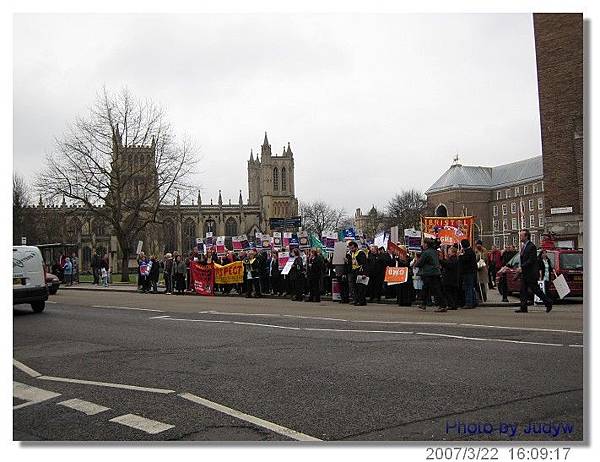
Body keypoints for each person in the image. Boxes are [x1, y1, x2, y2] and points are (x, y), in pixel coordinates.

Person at [515, 229, 553, 313]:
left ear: (526, 236)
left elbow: (531, 260)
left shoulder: (531, 246)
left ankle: (548, 302)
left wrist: (522, 267)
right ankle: (523, 307)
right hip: (525, 273)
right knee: (523, 290)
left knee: (536, 290)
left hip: (531, 273)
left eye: (521, 235)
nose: (520, 237)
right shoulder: (523, 246)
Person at [414, 238, 446, 312]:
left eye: (424, 243)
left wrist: (416, 264)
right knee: (427, 288)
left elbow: (421, 262)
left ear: (426, 244)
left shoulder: (426, 252)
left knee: (434, 289)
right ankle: (424, 304)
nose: (423, 245)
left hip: (429, 273)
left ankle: (442, 305)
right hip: (435, 272)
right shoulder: (434, 251)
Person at [458, 239, 478, 309]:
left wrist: (460, 255)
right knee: (471, 287)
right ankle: (474, 302)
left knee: (468, 288)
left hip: (468, 272)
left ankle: (469, 303)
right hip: (471, 272)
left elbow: (464, 260)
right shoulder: (470, 251)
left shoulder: (468, 252)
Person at [348, 241, 368, 306]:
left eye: (352, 248)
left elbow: (364, 263)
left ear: (356, 247)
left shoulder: (361, 253)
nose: (351, 249)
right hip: (354, 271)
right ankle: (356, 300)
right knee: (354, 287)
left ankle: (361, 301)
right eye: (350, 248)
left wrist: (364, 273)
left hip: (360, 271)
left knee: (360, 287)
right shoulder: (352, 253)